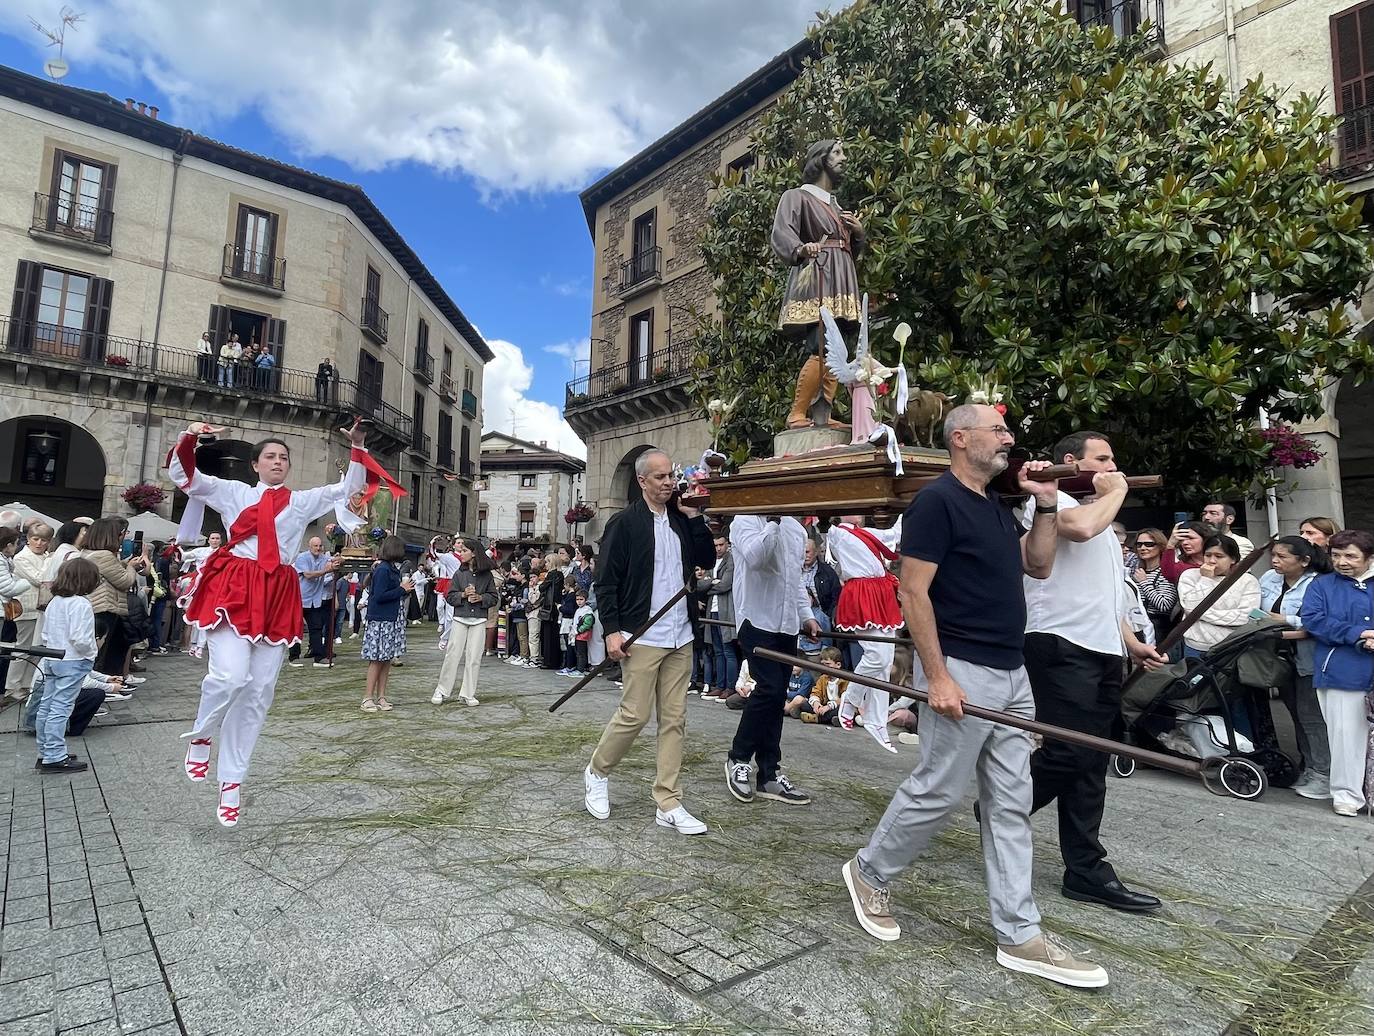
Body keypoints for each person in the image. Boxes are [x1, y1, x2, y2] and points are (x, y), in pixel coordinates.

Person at [843, 403, 1108, 989]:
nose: (1010, 438)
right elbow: (913, 593)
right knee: (938, 787)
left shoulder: (994, 506)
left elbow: (1037, 566)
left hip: (1012, 671)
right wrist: (936, 677)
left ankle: (1020, 934)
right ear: (961, 438)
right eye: (999, 429)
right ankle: (868, 872)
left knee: (1011, 803)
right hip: (963, 666)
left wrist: (1042, 501)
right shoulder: (936, 502)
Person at [170, 419, 368, 827]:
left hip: (277, 592)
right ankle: (202, 734)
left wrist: (358, 448)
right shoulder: (233, 492)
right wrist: (190, 437)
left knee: (258, 691)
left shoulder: (300, 502)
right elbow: (183, 475)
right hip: (237, 587)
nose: (278, 462)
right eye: (270, 457)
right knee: (229, 676)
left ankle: (231, 783)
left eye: (283, 458)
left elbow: (349, 491)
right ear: (256, 465)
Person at [1020, 431, 1165, 914]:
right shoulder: (1046, 495)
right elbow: (1076, 529)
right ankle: (1004, 809)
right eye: (1102, 458)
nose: (1112, 466)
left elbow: (1107, 594)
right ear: (1071, 461)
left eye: (1114, 460)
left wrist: (1132, 644)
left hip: (1102, 648)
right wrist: (1118, 490)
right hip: (1058, 642)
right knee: (1070, 752)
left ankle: (1085, 870)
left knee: (1092, 761)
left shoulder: (1101, 514)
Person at [583, 448, 715, 835]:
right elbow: (606, 582)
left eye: (670, 476)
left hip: (681, 633)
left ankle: (668, 801)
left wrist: (694, 519)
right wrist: (611, 630)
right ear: (642, 481)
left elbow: (705, 557)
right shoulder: (625, 524)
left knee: (675, 719)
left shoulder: (680, 520)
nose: (669, 482)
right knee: (635, 714)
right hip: (642, 634)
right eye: (660, 477)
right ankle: (597, 771)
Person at [724, 514, 820, 806]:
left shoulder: (795, 528)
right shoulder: (743, 522)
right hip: (755, 618)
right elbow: (756, 558)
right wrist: (773, 522)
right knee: (768, 689)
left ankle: (768, 772)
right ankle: (738, 758)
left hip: (787, 623)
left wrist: (807, 616)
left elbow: (794, 581)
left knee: (776, 694)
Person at [773, 138, 866, 429]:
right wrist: (801, 248)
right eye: (837, 153)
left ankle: (823, 413)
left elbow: (852, 251)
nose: (844, 158)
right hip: (819, 276)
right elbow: (782, 233)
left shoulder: (837, 206)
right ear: (820, 159)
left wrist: (859, 233)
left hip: (840, 277)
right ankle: (796, 413)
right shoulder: (796, 196)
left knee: (838, 347)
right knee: (821, 344)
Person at [1299, 529, 1374, 817]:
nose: (1342, 561)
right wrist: (1360, 632)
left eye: (1351, 556)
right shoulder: (1322, 585)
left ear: (1368, 557)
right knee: (1345, 734)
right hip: (1341, 668)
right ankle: (1346, 794)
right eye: (1336, 555)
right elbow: (1314, 620)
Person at [1259, 535, 1331, 799]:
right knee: (1296, 715)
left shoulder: (1318, 584)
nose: (1275, 561)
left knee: (1312, 716)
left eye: (1282, 557)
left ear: (1304, 561)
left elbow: (1320, 621)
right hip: (1277, 656)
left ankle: (1324, 773)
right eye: (1273, 555)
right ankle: (1309, 767)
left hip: (1308, 656)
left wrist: (1285, 619)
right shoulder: (1268, 579)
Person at [826, 515, 904, 752]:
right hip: (862, 592)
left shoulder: (866, 531)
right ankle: (851, 699)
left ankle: (876, 720)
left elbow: (894, 535)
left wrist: (907, 511)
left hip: (881, 592)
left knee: (885, 661)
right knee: (876, 657)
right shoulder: (835, 532)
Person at [34, 557, 100, 773]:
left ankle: (45, 751)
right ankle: (54, 755)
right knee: (61, 708)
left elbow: (46, 633)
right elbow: (81, 638)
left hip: (52, 657)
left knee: (47, 705)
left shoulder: (55, 602)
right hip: (73, 660)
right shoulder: (81, 604)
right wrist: (91, 653)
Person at [432, 538, 498, 706]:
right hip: (460, 618)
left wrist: (481, 598)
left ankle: (468, 693)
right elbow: (449, 596)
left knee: (474, 657)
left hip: (479, 620)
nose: (460, 554)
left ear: (474, 553)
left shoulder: (487, 575)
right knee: (452, 655)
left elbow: (494, 597)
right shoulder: (459, 574)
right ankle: (441, 690)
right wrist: (462, 595)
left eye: (464, 551)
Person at [1176, 536, 1262, 657]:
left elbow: (1246, 616)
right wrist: (1205, 579)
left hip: (1232, 646)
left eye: (1219, 556)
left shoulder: (1247, 581)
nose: (1212, 560)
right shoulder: (1190, 576)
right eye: (1208, 555)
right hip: (1196, 646)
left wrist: (1199, 614)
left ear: (1233, 559)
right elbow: (1190, 607)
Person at [81, 518, 145, 679]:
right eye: (121, 534)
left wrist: (125, 564)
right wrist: (131, 568)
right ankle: (105, 683)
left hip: (98, 605)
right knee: (101, 650)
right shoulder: (104, 555)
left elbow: (112, 572)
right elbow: (124, 581)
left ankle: (108, 682)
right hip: (104, 606)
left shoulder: (89, 553)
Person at [360, 537, 411, 713]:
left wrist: (402, 591)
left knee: (386, 660)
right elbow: (379, 596)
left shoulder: (390, 569)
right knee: (376, 660)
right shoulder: (382, 570)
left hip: (390, 618)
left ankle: (381, 696)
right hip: (380, 620)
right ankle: (367, 697)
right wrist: (401, 589)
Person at [5, 522, 51, 703]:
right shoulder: (22, 557)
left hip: (39, 608)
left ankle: (26, 685)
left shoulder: (45, 556)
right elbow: (40, 578)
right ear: (28, 539)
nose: (39, 543)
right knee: (22, 648)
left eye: (44, 540)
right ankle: (12, 686)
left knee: (34, 649)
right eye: (35, 539)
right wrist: (50, 561)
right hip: (25, 608)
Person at [288, 538, 337, 668]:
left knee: (316, 627)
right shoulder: (302, 558)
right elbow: (308, 575)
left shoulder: (323, 558)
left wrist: (338, 560)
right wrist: (326, 570)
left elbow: (337, 561)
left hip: (314, 600)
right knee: (296, 628)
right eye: (315, 546)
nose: (318, 548)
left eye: (320, 546)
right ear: (310, 546)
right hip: (299, 598)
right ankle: (293, 657)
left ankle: (319, 657)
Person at [700, 532, 738, 704]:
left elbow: (726, 584)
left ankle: (730, 686)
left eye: (720, 545)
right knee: (717, 651)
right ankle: (719, 685)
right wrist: (712, 582)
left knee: (728, 650)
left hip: (726, 611)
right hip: (712, 610)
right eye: (715, 545)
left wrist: (711, 583)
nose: (718, 549)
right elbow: (700, 584)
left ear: (727, 544)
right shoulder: (709, 561)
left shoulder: (731, 560)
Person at [1130, 527, 1179, 647]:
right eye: (1139, 544)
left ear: (1160, 546)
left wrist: (1144, 583)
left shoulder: (1166, 572)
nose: (1143, 548)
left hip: (1157, 632)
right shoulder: (1137, 572)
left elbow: (1164, 605)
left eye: (1149, 544)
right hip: (1136, 627)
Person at [572, 591, 594, 675]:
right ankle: (580, 667)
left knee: (581, 653)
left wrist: (579, 630)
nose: (579, 601)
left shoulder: (587, 611)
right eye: (577, 599)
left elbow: (587, 623)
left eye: (581, 599)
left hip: (582, 635)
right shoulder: (579, 610)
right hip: (577, 634)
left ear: (586, 600)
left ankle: (581, 669)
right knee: (578, 652)